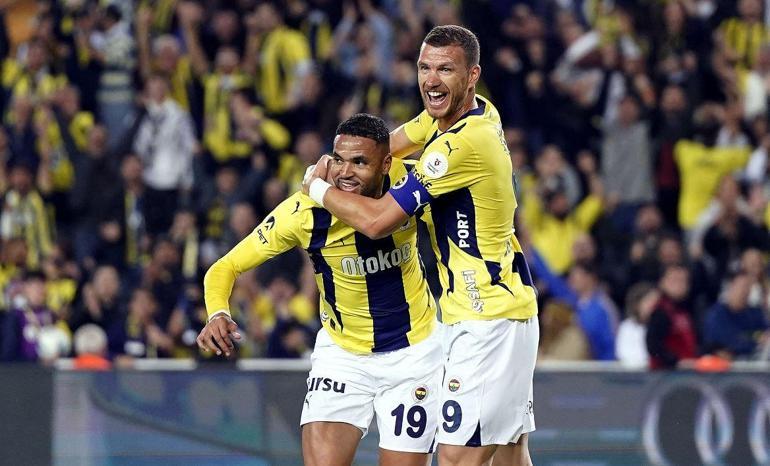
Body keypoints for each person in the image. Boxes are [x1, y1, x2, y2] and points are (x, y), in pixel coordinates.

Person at [303, 25, 538, 466]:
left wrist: (318, 188)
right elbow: (382, 154)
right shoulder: (459, 116)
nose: (431, 80)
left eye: (445, 69)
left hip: (488, 319)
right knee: (509, 454)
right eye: (424, 68)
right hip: (496, 312)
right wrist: (345, 167)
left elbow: (377, 222)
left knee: (454, 458)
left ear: (472, 75)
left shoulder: (459, 145)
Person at [198, 114, 442, 466]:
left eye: (360, 162)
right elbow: (225, 267)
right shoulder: (305, 211)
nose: (346, 172)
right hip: (343, 356)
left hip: (414, 354)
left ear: (386, 164)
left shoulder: (409, 182)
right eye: (339, 160)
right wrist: (218, 312)